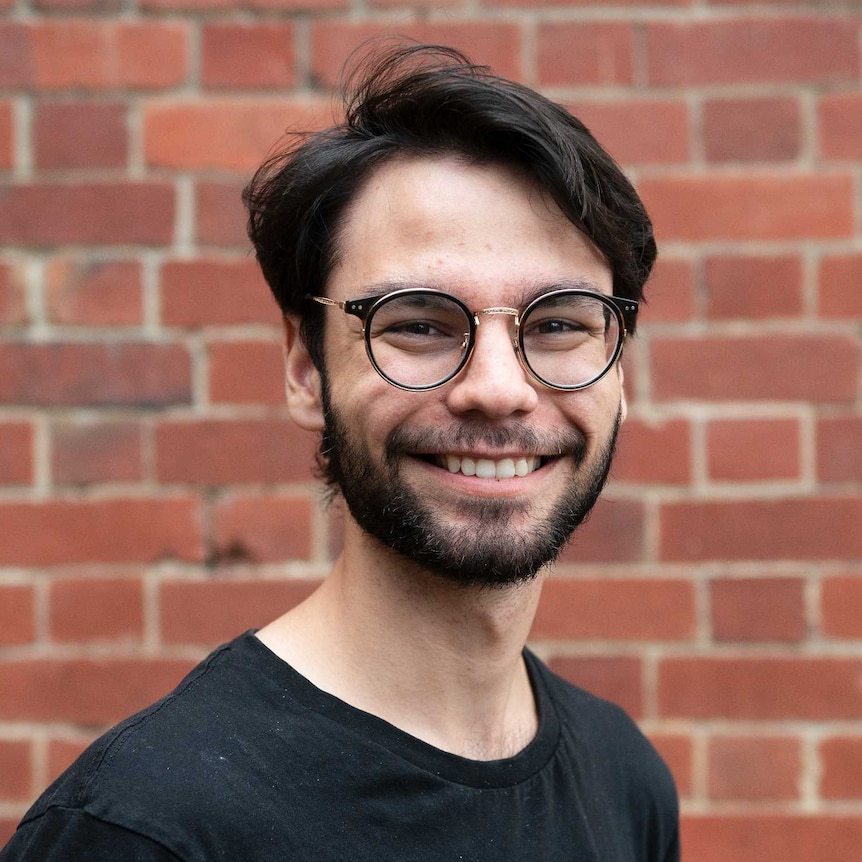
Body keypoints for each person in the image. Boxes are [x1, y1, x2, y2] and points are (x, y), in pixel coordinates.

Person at [1, 44, 680, 861]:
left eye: (560, 323)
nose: (497, 389)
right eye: (419, 323)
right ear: (304, 368)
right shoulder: (148, 829)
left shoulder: (625, 779)